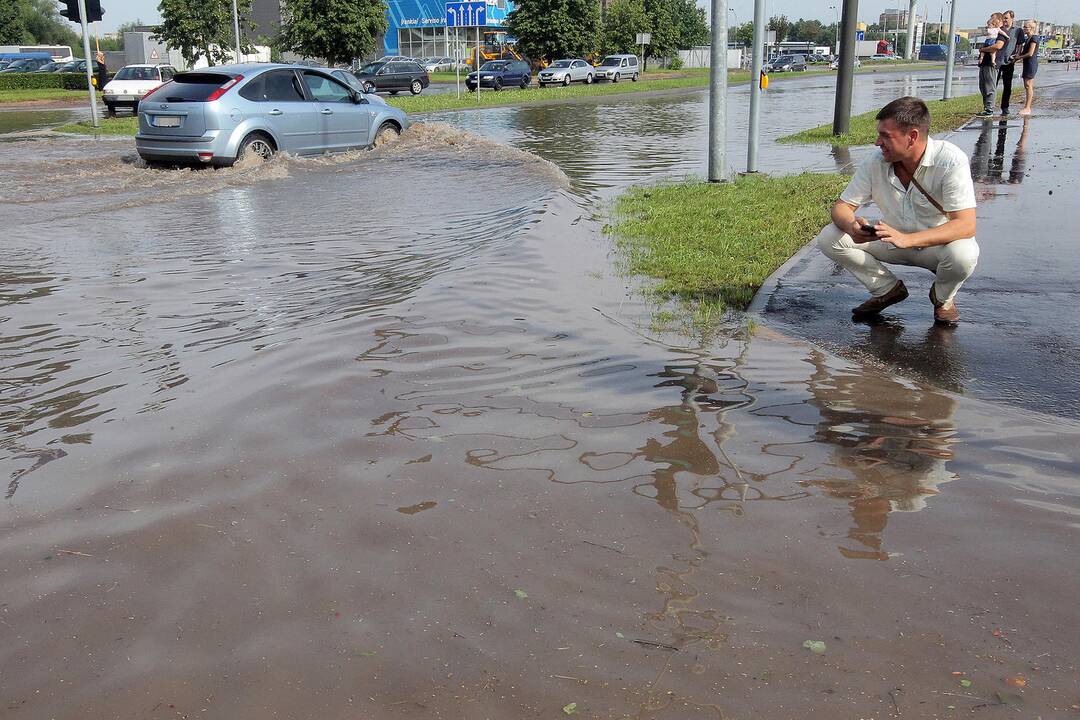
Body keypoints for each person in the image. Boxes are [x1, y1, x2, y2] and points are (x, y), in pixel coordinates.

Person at [815, 97, 979, 325]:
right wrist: (851, 225)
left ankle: (943, 299)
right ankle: (887, 289)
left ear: (912, 136)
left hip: (935, 248)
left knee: (964, 254)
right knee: (830, 237)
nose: (877, 142)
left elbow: (966, 224)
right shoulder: (876, 161)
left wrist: (908, 239)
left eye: (885, 136)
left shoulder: (950, 160)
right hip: (892, 241)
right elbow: (842, 207)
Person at [996, 10, 1025, 115]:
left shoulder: (1018, 30)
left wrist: (1017, 56)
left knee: (1007, 86)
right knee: (992, 84)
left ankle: (1005, 107)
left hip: (1009, 62)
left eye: (1007, 18)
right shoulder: (999, 29)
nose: (1005, 20)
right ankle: (988, 106)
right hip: (998, 61)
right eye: (1003, 18)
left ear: (1012, 19)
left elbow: (1020, 44)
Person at [977, 14, 1006, 117]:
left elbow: (997, 46)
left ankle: (990, 109)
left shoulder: (1001, 33)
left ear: (998, 20)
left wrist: (983, 49)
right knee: (983, 87)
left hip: (992, 63)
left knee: (990, 87)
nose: (990, 22)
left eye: (992, 18)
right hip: (984, 62)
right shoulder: (991, 31)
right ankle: (986, 108)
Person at [1017, 21, 1040, 115]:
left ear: (1031, 28)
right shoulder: (1027, 39)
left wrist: (1019, 57)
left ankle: (1028, 107)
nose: (1024, 28)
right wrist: (1016, 57)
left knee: (1028, 85)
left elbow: (1030, 53)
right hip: (1027, 63)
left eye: (1026, 27)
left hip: (1031, 63)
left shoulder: (1034, 38)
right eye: (1024, 27)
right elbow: (1023, 52)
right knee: (1026, 85)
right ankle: (1026, 106)